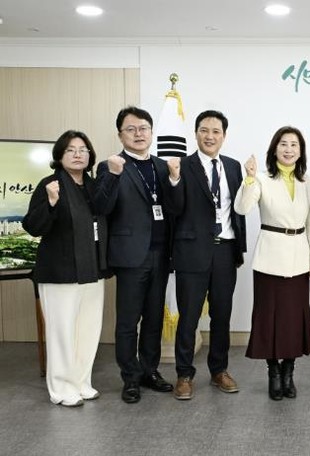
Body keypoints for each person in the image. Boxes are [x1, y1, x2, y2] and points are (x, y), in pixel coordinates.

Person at [22, 130, 110, 407]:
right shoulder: (50, 184)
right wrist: (50, 203)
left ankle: (81, 382)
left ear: (90, 156)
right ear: (60, 155)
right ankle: (61, 388)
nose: (77, 154)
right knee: (62, 332)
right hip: (59, 272)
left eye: (83, 150)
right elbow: (32, 226)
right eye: (71, 150)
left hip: (92, 269)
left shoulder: (94, 187)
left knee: (88, 330)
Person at [234, 126, 310, 400]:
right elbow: (241, 208)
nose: (288, 149)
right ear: (274, 149)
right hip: (269, 257)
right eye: (283, 144)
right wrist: (249, 179)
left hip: (299, 258)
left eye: (294, 144)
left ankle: (288, 371)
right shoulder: (261, 179)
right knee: (268, 317)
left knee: (294, 318)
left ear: (301, 151)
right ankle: (273, 371)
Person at [93, 106, 174, 404]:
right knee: (128, 321)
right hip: (130, 256)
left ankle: (149, 371)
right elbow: (100, 207)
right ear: (120, 135)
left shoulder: (163, 166)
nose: (138, 134)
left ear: (151, 132)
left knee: (154, 318)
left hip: (161, 254)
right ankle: (130, 377)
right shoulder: (111, 166)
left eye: (143, 128)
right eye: (131, 129)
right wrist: (113, 176)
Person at [166, 110, 247, 400]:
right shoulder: (182, 165)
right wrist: (174, 179)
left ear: (224, 136)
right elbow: (174, 208)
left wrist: (239, 247)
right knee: (188, 317)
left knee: (222, 315)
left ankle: (219, 370)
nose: (209, 136)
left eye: (216, 131)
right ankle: (184, 374)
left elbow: (239, 210)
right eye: (204, 130)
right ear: (196, 133)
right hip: (192, 251)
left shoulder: (233, 166)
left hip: (225, 250)